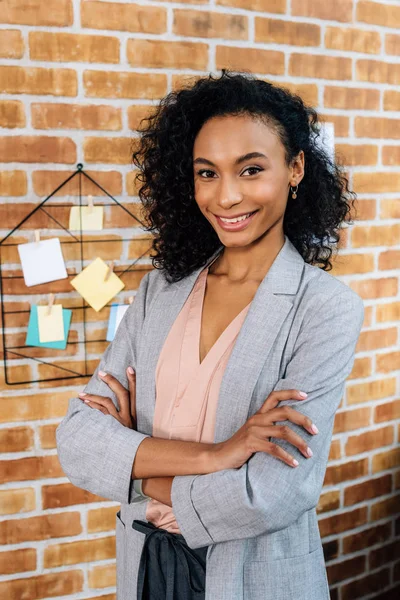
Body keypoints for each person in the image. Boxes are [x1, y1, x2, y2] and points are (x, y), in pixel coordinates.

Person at [56, 70, 364, 600]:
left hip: (255, 577)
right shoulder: (160, 291)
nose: (226, 197)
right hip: (145, 567)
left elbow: (268, 494)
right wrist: (220, 454)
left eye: (250, 170)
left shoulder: (326, 309)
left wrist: (131, 460)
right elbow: (78, 440)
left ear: (295, 169)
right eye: (206, 173)